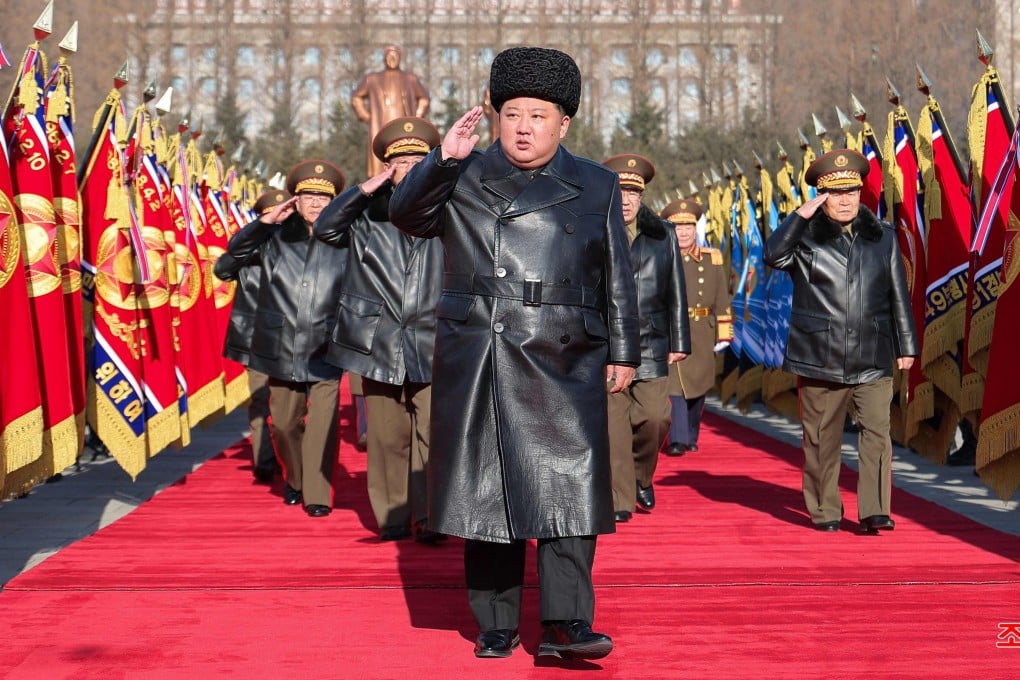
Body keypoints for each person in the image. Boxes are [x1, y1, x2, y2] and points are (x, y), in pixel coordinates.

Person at [389, 46, 640, 662]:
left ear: (565, 123)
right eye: (513, 113)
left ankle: (566, 624)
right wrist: (440, 162)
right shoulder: (462, 174)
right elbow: (405, 215)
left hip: (569, 353)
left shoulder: (598, 184)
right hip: (483, 349)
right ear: (495, 115)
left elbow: (619, 275)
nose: (524, 126)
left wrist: (626, 351)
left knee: (569, 488)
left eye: (539, 114)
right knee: (488, 488)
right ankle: (495, 622)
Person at [762, 149, 918, 533]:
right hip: (820, 355)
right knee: (820, 440)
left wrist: (907, 345)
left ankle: (874, 509)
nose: (846, 199)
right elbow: (771, 255)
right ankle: (825, 509)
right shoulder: (803, 239)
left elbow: (898, 293)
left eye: (852, 190)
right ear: (820, 195)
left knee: (878, 433)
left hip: (873, 351)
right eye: (836, 192)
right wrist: (799, 217)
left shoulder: (883, 237)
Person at [314, 117, 445, 543]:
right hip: (378, 340)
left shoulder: (449, 211)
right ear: (386, 167)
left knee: (434, 434)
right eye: (400, 161)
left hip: (435, 338)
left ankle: (430, 517)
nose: (409, 167)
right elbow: (325, 227)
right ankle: (392, 517)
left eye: (418, 160)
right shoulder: (366, 218)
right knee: (387, 437)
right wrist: (366, 189)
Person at [213, 160, 348, 518]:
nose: (316, 204)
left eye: (324, 197)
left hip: (326, 346)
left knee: (322, 424)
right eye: (308, 196)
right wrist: (262, 224)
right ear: (295, 201)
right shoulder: (272, 237)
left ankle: (318, 495)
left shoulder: (345, 238)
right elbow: (226, 265)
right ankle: (297, 478)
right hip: (280, 345)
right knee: (284, 425)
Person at [602, 154, 690, 523]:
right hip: (606, 344)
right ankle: (620, 499)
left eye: (633, 192)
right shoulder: (595, 229)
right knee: (614, 426)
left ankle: (641, 477)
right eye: (620, 190)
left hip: (652, 342)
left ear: (642, 195)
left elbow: (676, 289)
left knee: (655, 419)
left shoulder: (663, 234)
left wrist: (680, 340)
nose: (626, 199)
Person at [218, 189, 290, 483]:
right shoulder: (247, 250)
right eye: (271, 216)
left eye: (284, 215)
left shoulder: (298, 247)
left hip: (290, 337)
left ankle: (291, 459)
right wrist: (259, 229)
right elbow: (223, 269)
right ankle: (263, 458)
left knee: (290, 405)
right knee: (259, 399)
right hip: (255, 336)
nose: (278, 221)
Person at [660, 199, 733, 457]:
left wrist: (724, 331)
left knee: (699, 387)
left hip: (703, 329)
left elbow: (721, 297)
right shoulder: (663, 257)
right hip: (674, 327)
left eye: (688, 226)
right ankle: (677, 439)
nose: (683, 232)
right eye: (678, 227)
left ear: (695, 229)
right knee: (676, 387)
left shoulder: (711, 259)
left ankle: (690, 435)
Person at [351, 45, 431, 176]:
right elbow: (356, 97)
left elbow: (424, 98)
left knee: (405, 161)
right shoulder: (372, 79)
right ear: (384, 58)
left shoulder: (410, 79)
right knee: (379, 164)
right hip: (380, 126)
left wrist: (416, 117)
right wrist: (366, 116)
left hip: (404, 129)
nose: (392, 59)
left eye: (395, 56)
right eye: (389, 56)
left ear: (400, 58)